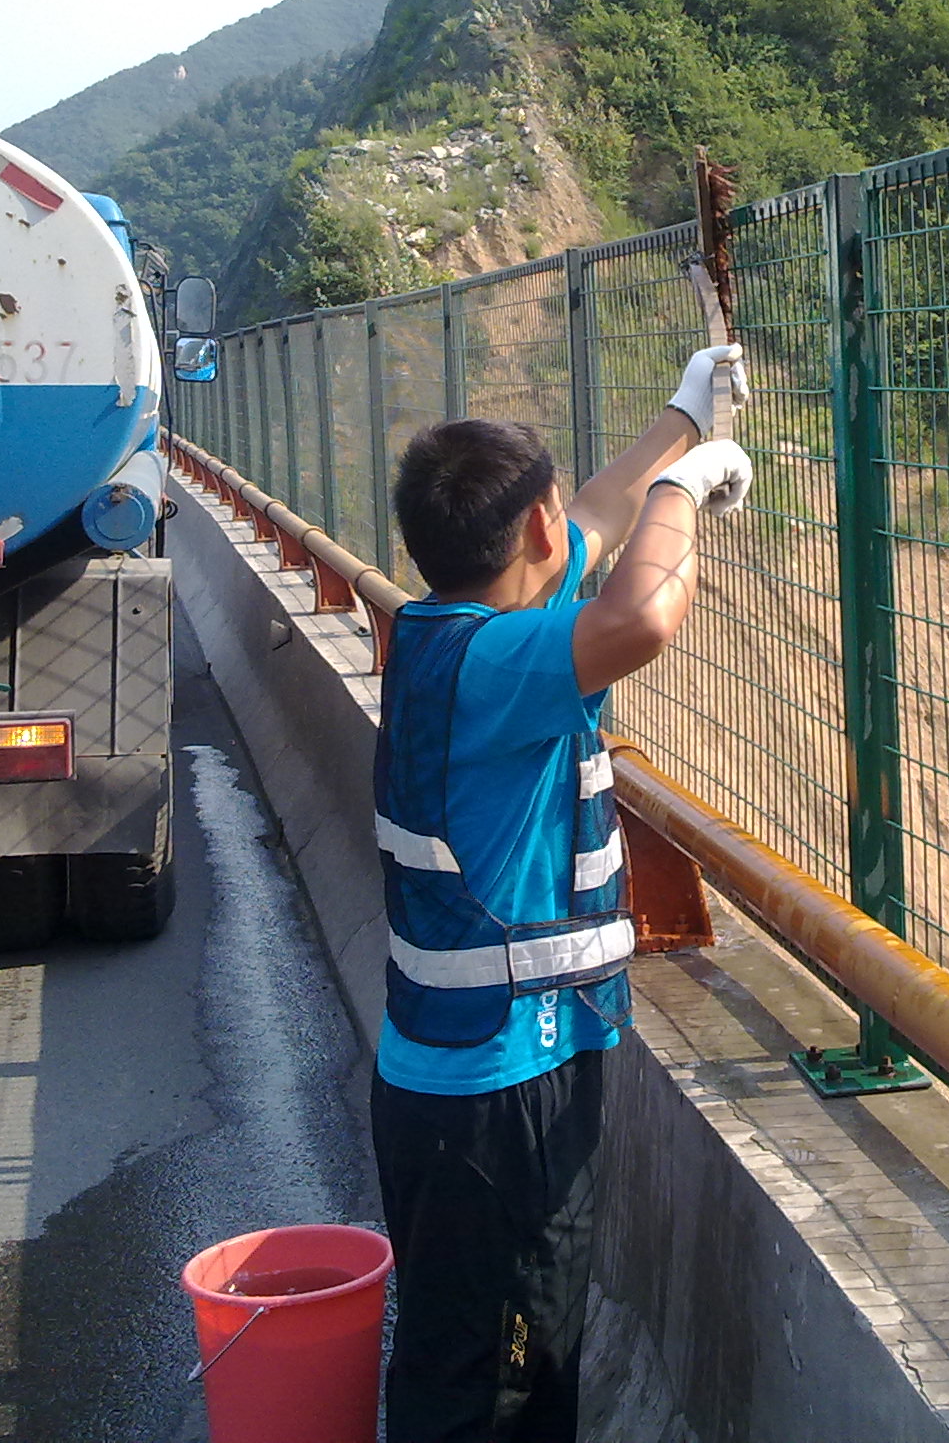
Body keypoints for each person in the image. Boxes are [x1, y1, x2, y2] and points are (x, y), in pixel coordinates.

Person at [371, 343, 751, 1443]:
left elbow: (595, 514)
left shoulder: (441, 633)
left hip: (453, 1081)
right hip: (500, 1095)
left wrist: (683, 417)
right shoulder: (496, 664)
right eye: (554, 518)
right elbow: (642, 615)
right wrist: (689, 488)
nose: (569, 529)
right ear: (533, 533)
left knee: (483, 1357)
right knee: (500, 1379)